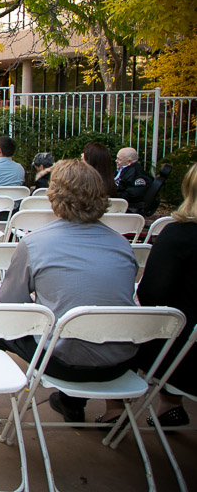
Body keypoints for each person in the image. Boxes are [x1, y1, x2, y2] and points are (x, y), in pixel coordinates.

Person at [0, 159, 138, 422]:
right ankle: (71, 403)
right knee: (76, 329)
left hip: (61, 362)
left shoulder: (35, 243)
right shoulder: (122, 245)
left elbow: (11, 305)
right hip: (120, 364)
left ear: (54, 195)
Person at [102, 162, 197, 426]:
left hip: (186, 362)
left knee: (123, 327)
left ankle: (115, 408)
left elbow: (152, 296)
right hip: (187, 347)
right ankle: (169, 404)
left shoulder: (180, 235)